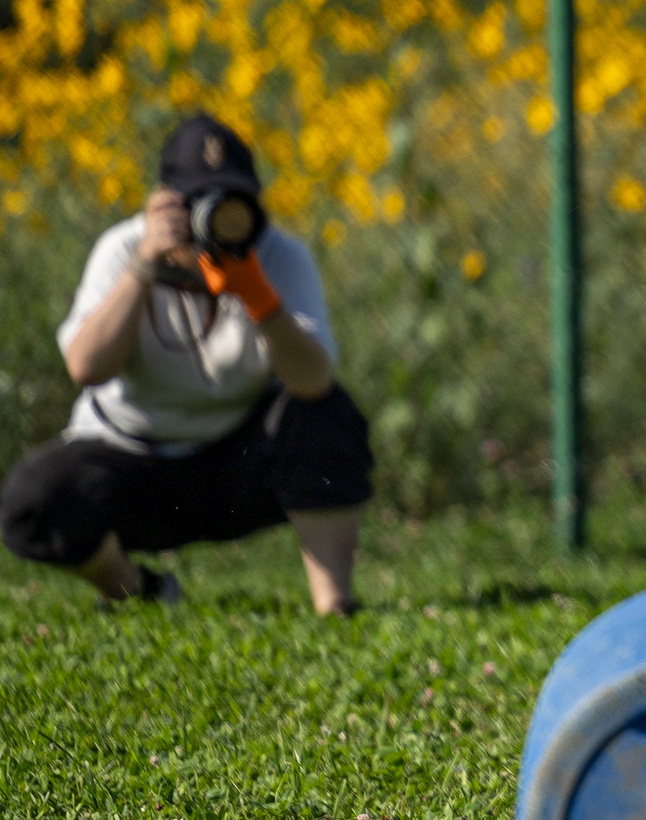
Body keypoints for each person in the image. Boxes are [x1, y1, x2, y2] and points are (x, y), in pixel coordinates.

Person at [2, 115, 375, 613]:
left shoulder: (277, 256)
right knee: (33, 502)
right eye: (196, 202)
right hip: (132, 456)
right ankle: (136, 591)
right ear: (161, 202)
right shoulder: (123, 248)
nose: (214, 218)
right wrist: (145, 267)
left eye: (231, 200)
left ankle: (336, 605)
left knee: (329, 418)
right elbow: (86, 367)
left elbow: (312, 381)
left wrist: (256, 294)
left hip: (237, 460)